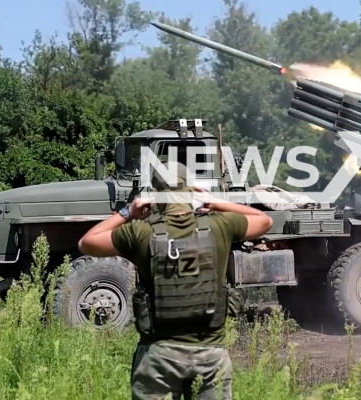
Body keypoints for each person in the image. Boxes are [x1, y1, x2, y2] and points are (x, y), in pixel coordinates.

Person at [77, 162, 273, 400]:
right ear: (190, 190)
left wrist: (128, 212)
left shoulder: (141, 231)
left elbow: (87, 242)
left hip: (158, 355)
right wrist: (216, 203)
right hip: (210, 354)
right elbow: (264, 221)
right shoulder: (220, 225)